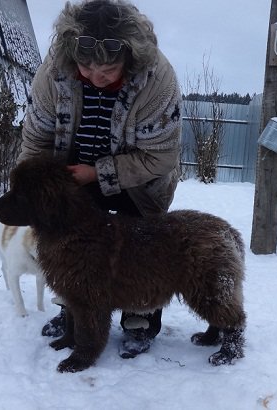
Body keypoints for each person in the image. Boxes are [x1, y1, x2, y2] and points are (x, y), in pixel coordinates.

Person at [17, 0, 182, 359]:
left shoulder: (158, 79)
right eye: (85, 66)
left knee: (141, 245)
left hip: (139, 178)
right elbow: (35, 140)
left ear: (130, 57)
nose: (95, 77)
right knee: (69, 244)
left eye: (107, 69)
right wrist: (32, 189)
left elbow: (160, 156)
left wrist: (99, 172)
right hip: (71, 170)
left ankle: (138, 318)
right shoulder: (53, 73)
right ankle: (74, 310)